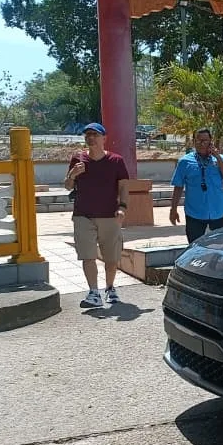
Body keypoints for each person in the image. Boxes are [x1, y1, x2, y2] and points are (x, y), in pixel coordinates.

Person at [64, 122, 130, 308]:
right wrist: (73, 174)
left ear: (104, 138)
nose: (91, 138)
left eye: (95, 134)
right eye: (87, 135)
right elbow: (68, 186)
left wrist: (123, 207)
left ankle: (109, 287)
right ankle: (93, 292)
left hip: (109, 215)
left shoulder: (116, 161)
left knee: (111, 257)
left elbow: (124, 186)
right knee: (87, 255)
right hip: (83, 215)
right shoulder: (77, 159)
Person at [170, 128, 223, 243]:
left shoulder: (222, 159)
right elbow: (178, 186)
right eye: (199, 141)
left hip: (218, 211)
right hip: (195, 212)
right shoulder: (184, 162)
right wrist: (173, 209)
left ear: (211, 142)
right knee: (194, 247)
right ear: (194, 142)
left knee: (220, 246)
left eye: (205, 141)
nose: (202, 144)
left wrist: (218, 157)